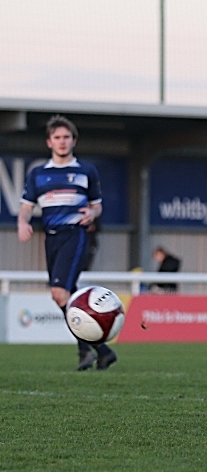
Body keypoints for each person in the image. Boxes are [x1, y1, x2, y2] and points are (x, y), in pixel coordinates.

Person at [17, 115, 117, 371]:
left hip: (75, 234)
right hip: (51, 238)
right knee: (64, 295)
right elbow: (26, 207)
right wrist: (22, 223)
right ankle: (102, 351)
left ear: (74, 140)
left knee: (60, 293)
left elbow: (97, 206)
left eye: (66, 137)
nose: (62, 142)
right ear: (49, 142)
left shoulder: (85, 171)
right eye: (57, 138)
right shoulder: (38, 174)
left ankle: (87, 350)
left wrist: (92, 214)